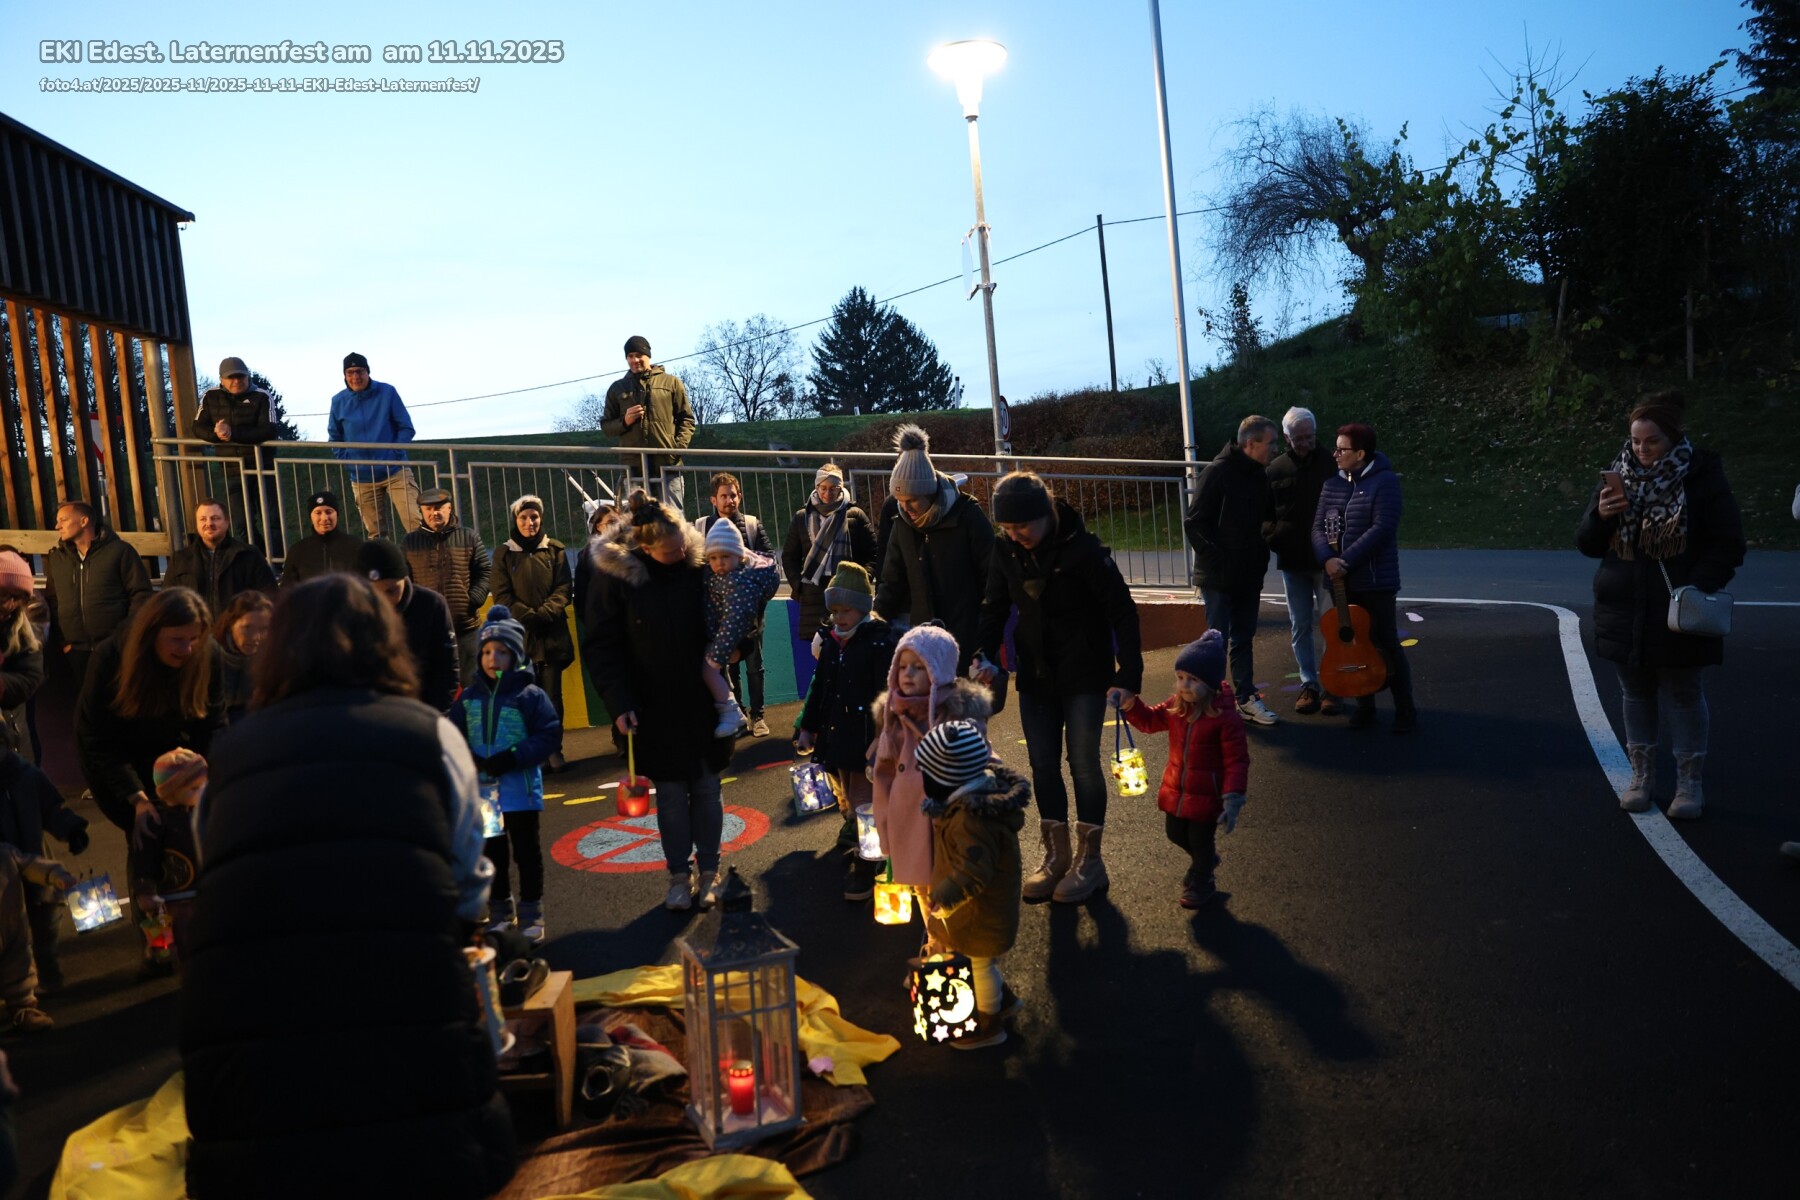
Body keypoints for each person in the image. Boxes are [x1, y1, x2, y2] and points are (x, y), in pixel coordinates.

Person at [179, 573, 516, 1199]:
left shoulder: (230, 756)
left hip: (251, 1044)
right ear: (386, 645)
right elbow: (469, 879)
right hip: (406, 1019)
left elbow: (216, 869)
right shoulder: (429, 735)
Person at [974, 471, 1143, 904]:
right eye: (1007, 528)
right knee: (1042, 765)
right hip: (1035, 674)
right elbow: (993, 607)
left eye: (1022, 526)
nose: (1015, 535)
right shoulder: (1005, 550)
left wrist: (1128, 676)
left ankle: (1091, 861)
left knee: (1083, 763)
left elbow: (1123, 612)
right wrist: (984, 655)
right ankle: (1056, 856)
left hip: (1085, 672)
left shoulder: (1084, 550)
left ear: (1045, 513)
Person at [1576, 394, 1745, 819]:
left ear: (1672, 437)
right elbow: (1587, 544)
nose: (1642, 449)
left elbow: (1728, 544)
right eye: (1636, 441)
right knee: (1635, 693)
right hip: (1623, 608)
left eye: (1651, 441)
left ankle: (1689, 784)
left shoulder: (1700, 476)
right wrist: (1601, 516)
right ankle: (1641, 777)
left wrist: (1694, 589)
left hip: (1677, 610)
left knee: (1684, 693)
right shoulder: (1617, 475)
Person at [585, 491, 733, 912]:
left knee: (707, 787)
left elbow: (731, 608)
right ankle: (678, 876)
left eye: (683, 544)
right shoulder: (617, 578)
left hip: (702, 698)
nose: (681, 553)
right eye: (671, 551)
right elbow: (602, 645)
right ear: (646, 549)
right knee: (670, 795)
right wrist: (620, 702)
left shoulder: (697, 566)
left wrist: (739, 644)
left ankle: (710, 871)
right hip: (652, 704)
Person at [74, 588, 223, 971]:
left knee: (194, 838)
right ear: (152, 633)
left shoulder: (205, 654)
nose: (187, 648)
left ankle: (203, 932)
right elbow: (97, 739)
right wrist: (136, 797)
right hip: (129, 762)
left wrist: (209, 776)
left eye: (194, 638)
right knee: (145, 841)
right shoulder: (111, 658)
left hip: (185, 762)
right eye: (177, 639)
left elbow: (213, 721)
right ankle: (156, 941)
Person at [451, 606, 561, 944]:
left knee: (527, 853)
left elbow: (548, 734)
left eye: (501, 651)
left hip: (520, 791)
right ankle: (500, 911)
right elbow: (454, 735)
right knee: (492, 853)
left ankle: (532, 913)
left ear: (515, 655)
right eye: (486, 651)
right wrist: (468, 758)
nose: (492, 658)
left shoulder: (529, 695)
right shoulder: (468, 699)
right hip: (484, 795)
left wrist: (514, 756)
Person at [916, 719, 1028, 1050]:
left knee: (979, 965)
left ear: (945, 777)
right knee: (982, 963)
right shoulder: (967, 805)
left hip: (980, 910)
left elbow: (973, 871)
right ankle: (1004, 1003)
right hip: (980, 906)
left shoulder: (970, 818)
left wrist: (944, 896)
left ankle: (989, 1024)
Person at [1119, 631, 1250, 909]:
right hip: (1177, 790)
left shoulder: (1224, 718)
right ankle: (1206, 861)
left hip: (1208, 795)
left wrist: (1233, 796)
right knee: (1175, 833)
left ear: (1210, 684)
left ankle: (1203, 879)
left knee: (1200, 840)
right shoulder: (1176, 707)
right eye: (1180, 677)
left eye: (1192, 680)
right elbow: (1150, 721)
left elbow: (1236, 761)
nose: (1184, 685)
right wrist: (1132, 705)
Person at [795, 562, 897, 900]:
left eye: (846, 610)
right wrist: (808, 727)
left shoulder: (878, 642)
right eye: (834, 610)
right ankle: (870, 847)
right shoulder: (832, 643)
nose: (838, 617)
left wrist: (883, 737)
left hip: (866, 740)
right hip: (838, 736)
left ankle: (868, 865)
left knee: (866, 803)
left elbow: (887, 696)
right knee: (851, 801)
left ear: (863, 608)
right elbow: (820, 689)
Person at [1311, 423, 1418, 733]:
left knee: (1385, 642)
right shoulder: (1332, 484)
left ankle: (1405, 711)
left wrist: (1345, 561)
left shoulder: (1385, 482)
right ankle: (1365, 707)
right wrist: (1327, 559)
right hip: (1340, 582)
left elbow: (1383, 528)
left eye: (1341, 449)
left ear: (1360, 454)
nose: (1335, 454)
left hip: (1374, 582)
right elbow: (1317, 527)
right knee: (1352, 643)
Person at [871, 624, 992, 895]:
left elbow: (980, 758)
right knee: (923, 892)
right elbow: (883, 780)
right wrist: (885, 833)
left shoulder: (958, 714)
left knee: (955, 892)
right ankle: (930, 922)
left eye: (919, 667)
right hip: (908, 822)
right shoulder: (894, 718)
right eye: (902, 666)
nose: (908, 674)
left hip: (949, 823)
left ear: (940, 671)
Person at [874, 425, 995, 675]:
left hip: (966, 639)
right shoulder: (901, 525)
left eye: (912, 500)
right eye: (900, 501)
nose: (905, 508)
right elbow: (891, 583)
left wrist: (984, 640)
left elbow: (992, 579)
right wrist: (873, 624)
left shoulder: (967, 516)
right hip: (924, 643)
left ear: (929, 492)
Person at [1185, 415, 1281, 727]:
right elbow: (1194, 523)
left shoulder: (1260, 475)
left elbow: (1267, 518)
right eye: (1271, 443)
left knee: (1243, 638)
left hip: (1249, 574)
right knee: (1217, 641)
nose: (1276, 449)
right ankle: (1211, 703)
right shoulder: (1217, 473)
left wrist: (1262, 549)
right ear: (1250, 443)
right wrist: (1220, 560)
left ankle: (1246, 698)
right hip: (1219, 576)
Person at [1263, 406, 1341, 716]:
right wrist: (1274, 537)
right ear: (1287, 438)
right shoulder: (1275, 470)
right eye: (1299, 439)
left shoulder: (1331, 464)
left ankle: (1333, 685)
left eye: (1310, 437)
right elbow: (1264, 513)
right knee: (1300, 625)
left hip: (1327, 561)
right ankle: (1309, 683)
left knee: (1333, 624)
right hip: (1292, 560)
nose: (1306, 443)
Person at [491, 495, 573, 773]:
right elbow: (502, 595)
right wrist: (528, 616)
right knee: (526, 698)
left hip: (551, 636)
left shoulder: (555, 550)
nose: (530, 522)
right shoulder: (504, 554)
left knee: (552, 697)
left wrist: (545, 613)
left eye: (534, 517)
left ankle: (553, 749)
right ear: (515, 520)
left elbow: (564, 588)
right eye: (524, 517)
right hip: (520, 639)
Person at [0, 742, 87, 997]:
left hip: (37, 860)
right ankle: (16, 987)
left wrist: (72, 829)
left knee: (46, 919)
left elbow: (52, 808)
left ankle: (48, 968)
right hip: (5, 872)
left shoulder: (28, 775)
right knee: (10, 929)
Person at [44, 500, 153, 696]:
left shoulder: (120, 552)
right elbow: (52, 600)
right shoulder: (57, 559)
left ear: (84, 521)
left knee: (121, 703)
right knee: (86, 706)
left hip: (115, 648)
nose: (57, 526)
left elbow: (141, 594)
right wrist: (64, 642)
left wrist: (126, 636)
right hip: (76, 651)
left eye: (63, 520)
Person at [697, 473, 777, 737]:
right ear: (714, 499)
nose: (729, 500)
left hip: (750, 617)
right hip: (721, 620)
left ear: (739, 496)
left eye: (733, 495)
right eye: (724, 495)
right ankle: (739, 712)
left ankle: (758, 715)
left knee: (754, 665)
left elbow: (767, 557)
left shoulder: (751, 525)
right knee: (730, 669)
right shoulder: (701, 527)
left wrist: (754, 596)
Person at [357, 538, 461, 714]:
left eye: (391, 591)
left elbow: (447, 670)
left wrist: (434, 715)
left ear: (405, 580)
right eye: (373, 593)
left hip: (421, 711)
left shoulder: (432, 605)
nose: (384, 601)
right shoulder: (353, 610)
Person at [783, 462, 877, 654]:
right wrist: (799, 586)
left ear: (841, 488)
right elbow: (789, 556)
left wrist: (864, 579)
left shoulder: (855, 515)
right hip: (813, 597)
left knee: (850, 653)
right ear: (816, 487)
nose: (828, 493)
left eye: (833, 488)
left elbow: (873, 552)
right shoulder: (802, 517)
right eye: (823, 488)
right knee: (817, 655)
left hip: (847, 593)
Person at [404, 487, 492, 688]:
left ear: (449, 508)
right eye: (429, 509)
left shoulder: (469, 537)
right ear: (421, 511)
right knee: (435, 690)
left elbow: (484, 572)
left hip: (466, 629)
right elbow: (404, 581)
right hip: (428, 633)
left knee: (473, 690)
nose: (434, 513)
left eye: (439, 507)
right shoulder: (409, 542)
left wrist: (473, 600)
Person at [328, 351, 420, 540]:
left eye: (360, 371)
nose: (355, 376)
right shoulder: (338, 401)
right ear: (344, 375)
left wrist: (394, 453)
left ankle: (426, 558)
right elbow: (335, 437)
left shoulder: (388, 392)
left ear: (368, 372)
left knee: (416, 523)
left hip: (395, 471)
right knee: (376, 535)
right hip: (362, 477)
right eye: (350, 372)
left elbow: (406, 427)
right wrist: (350, 462)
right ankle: (383, 560)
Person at [195, 356, 281, 553]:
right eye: (231, 377)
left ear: (248, 376)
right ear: (221, 379)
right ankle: (257, 558)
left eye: (240, 376)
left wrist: (232, 433)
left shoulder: (262, 396)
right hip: (232, 469)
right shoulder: (210, 396)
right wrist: (216, 434)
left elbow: (268, 430)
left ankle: (277, 562)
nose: (236, 381)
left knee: (272, 520)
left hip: (263, 467)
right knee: (241, 522)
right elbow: (197, 427)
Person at [602, 336, 696, 512]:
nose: (635, 360)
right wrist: (625, 422)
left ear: (648, 355)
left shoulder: (671, 383)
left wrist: (677, 448)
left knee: (672, 520)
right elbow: (606, 427)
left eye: (639, 355)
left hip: (667, 465)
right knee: (638, 522)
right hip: (633, 468)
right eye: (630, 356)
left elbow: (687, 419)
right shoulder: (617, 388)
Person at [0, 845, 76, 1033]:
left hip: (10, 931)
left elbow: (30, 863)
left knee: (18, 965)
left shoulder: (4, 854)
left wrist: (56, 874)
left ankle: (23, 1008)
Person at [163, 497, 277, 617]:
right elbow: (167, 602)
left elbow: (269, 596)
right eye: (203, 519)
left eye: (215, 518)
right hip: (195, 627)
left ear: (227, 522)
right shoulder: (180, 559)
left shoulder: (249, 555)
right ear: (197, 524)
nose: (209, 524)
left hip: (236, 626)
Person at [0, 552, 46, 757]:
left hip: (13, 734)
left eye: (17, 598)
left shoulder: (24, 632)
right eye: (4, 594)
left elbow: (30, 677)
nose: (10, 604)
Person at [211, 590, 273, 723]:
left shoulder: (271, 657)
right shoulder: (210, 654)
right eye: (247, 628)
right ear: (230, 625)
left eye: (264, 629)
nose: (256, 637)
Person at [279, 490, 361, 587]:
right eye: (318, 513)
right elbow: (287, 589)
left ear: (337, 514)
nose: (324, 518)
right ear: (311, 516)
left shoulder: (356, 546)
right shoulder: (297, 551)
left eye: (329, 512)